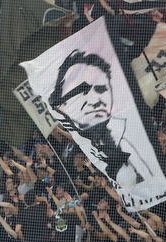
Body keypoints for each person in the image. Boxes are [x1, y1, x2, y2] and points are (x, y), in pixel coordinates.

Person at [48, 51, 153, 190]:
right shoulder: (93, 132)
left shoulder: (121, 125)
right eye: (81, 92)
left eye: (99, 88)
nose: (93, 99)